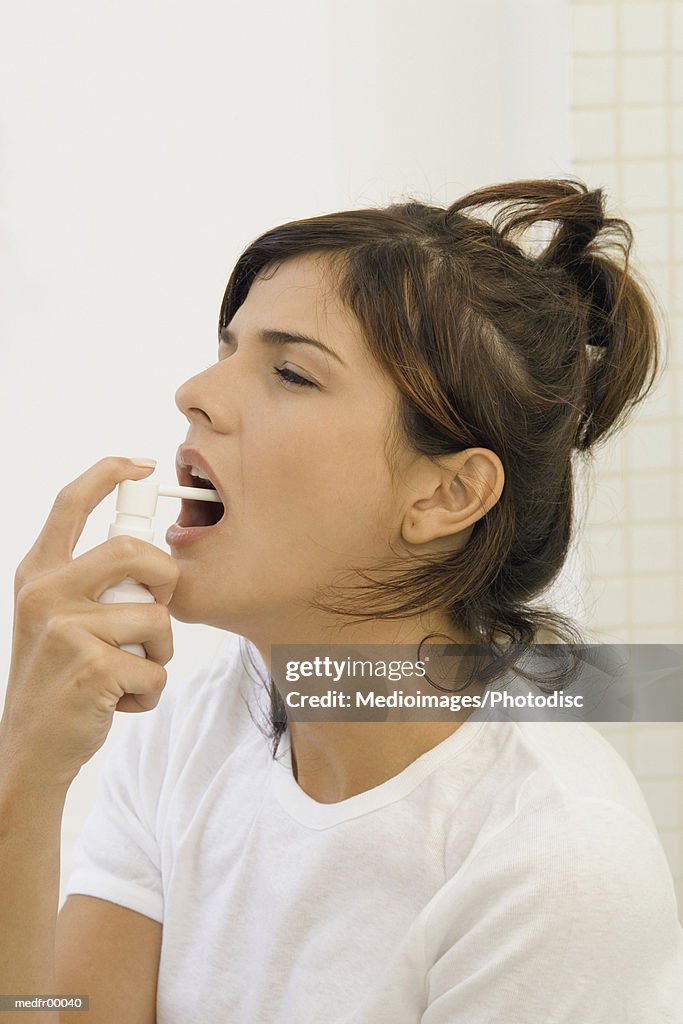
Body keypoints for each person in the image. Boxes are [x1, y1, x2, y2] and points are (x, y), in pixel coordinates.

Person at [1, 178, 682, 1023]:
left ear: (444, 496)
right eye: (228, 347)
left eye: (290, 371)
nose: (196, 392)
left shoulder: (549, 865)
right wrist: (26, 775)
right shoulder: (192, 734)